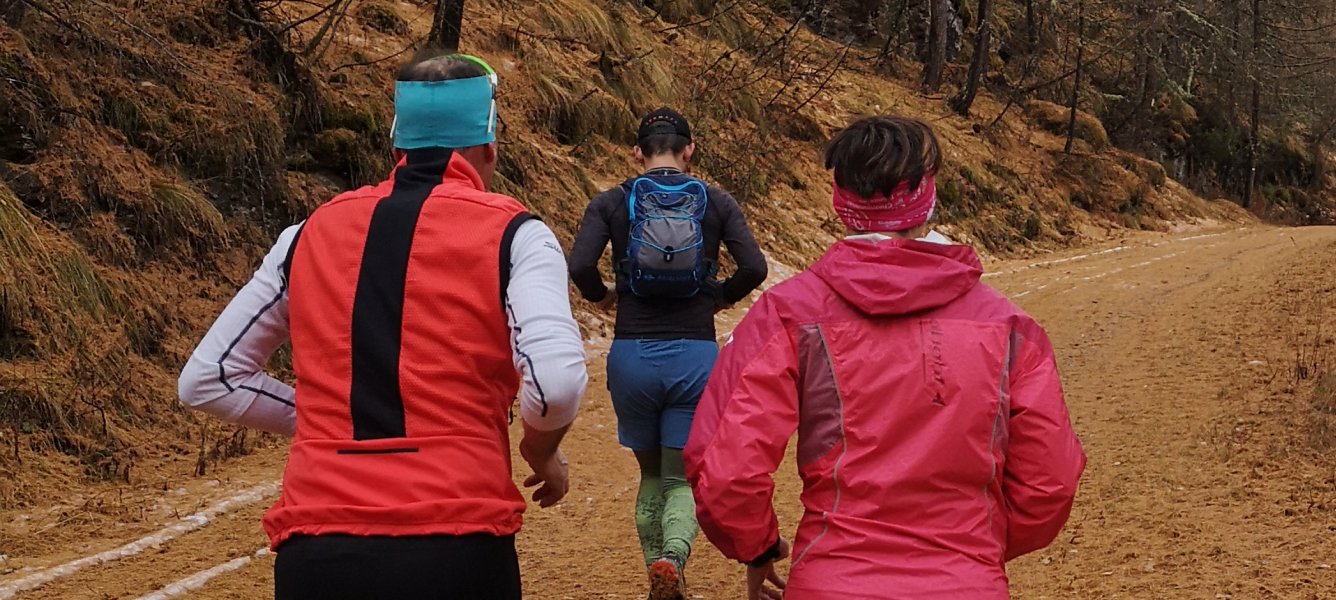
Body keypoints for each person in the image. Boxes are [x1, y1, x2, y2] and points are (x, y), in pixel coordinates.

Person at [176, 53, 587, 600]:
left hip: (318, 545)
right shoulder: (518, 235)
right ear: (490, 145)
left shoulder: (305, 235)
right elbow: (554, 386)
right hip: (456, 539)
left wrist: (332, 414)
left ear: (396, 144)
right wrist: (541, 450)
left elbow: (209, 378)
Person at [686, 116, 1087, 600]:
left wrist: (758, 547)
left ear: (839, 201)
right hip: (965, 582)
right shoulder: (1009, 328)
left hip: (834, 580)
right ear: (928, 195)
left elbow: (726, 469)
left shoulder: (788, 315)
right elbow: (1051, 482)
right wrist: (970, 552)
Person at [568, 107, 768, 600]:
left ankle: (654, 575)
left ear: (637, 151)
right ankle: (672, 560)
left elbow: (579, 265)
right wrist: (719, 296)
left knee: (650, 474)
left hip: (632, 354)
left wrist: (603, 298)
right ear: (689, 148)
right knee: (682, 478)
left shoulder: (613, 202)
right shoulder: (715, 203)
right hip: (694, 355)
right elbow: (756, 267)